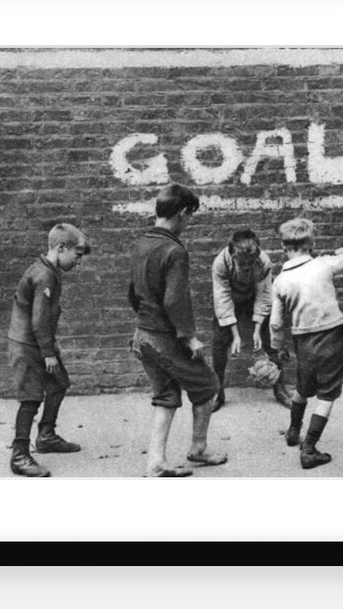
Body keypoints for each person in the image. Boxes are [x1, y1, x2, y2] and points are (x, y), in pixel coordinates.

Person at [128, 183, 228, 477]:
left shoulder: (140, 244)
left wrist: (146, 319)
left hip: (142, 336)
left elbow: (132, 293)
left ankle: (156, 462)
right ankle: (199, 448)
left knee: (166, 395)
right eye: (190, 216)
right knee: (208, 385)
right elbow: (175, 299)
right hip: (165, 339)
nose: (189, 222)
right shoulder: (174, 250)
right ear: (183, 213)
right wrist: (189, 337)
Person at [270, 218, 343, 470]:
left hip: (303, 341)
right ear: (311, 243)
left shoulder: (280, 281)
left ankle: (293, 431)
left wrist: (278, 347)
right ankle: (309, 449)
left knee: (301, 388)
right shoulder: (323, 264)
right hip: (331, 337)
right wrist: (338, 251)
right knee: (327, 394)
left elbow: (276, 322)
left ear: (283, 246)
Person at [6, 223, 91, 478]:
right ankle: (19, 455)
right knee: (31, 398)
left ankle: (46, 436)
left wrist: (49, 346)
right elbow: (39, 320)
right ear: (61, 247)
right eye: (77, 255)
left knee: (58, 383)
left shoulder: (50, 271)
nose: (78, 261)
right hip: (27, 346)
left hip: (39, 343)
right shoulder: (43, 275)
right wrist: (48, 352)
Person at [210, 229, 292, 412]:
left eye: (250, 262)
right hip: (230, 299)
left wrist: (257, 330)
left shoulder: (263, 262)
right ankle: (218, 391)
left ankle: (279, 388)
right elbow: (222, 299)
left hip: (253, 297)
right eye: (242, 262)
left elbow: (264, 296)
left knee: (272, 337)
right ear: (232, 255)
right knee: (219, 341)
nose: (247, 267)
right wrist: (235, 334)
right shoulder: (220, 263)